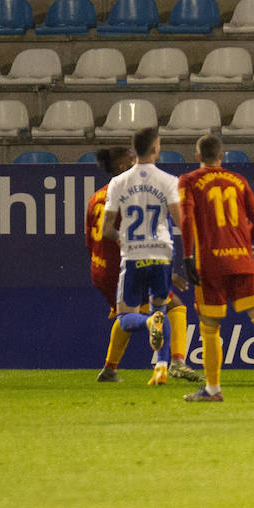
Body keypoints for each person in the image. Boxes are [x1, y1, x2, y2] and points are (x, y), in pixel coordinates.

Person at [178, 135, 254, 402]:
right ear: (222, 157)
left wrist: (187, 257)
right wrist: (243, 244)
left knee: (210, 326)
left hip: (210, 262)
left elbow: (186, 219)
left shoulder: (188, 180)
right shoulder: (238, 180)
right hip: (241, 258)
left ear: (197, 157)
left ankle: (212, 389)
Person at [90, 147, 200, 384]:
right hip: (130, 263)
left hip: (100, 268)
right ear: (122, 167)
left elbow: (90, 241)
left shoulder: (96, 197)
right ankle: (177, 361)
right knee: (174, 307)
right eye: (133, 162)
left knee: (124, 315)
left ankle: (109, 370)